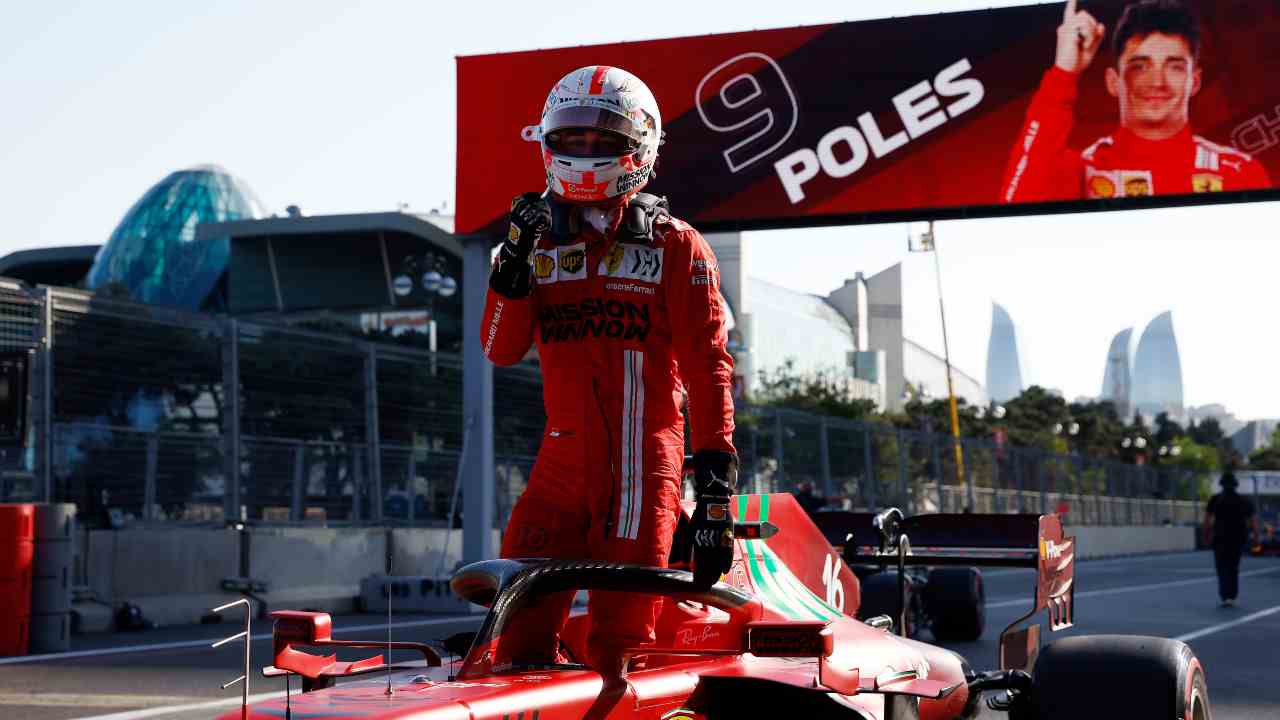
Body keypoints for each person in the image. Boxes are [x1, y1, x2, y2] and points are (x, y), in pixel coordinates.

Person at [480, 65, 738, 677]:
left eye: (605, 138)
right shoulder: (530, 244)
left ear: (642, 145)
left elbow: (709, 372)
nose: (587, 150)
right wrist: (511, 267)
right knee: (515, 637)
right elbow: (499, 349)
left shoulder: (677, 245)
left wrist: (717, 500)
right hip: (559, 462)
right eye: (572, 137)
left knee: (620, 646)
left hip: (644, 470)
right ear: (545, 142)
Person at [1001, 0, 1271, 203]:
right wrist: (1064, 73)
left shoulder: (1240, 173)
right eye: (1140, 66)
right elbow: (1015, 207)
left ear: (1195, 81)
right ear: (1113, 82)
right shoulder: (1085, 171)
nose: (1157, 81)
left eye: (1174, 67)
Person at [1203, 471, 1260, 607]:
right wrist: (1256, 537)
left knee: (1221, 567)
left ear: (1222, 485)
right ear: (1235, 485)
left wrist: (1206, 535)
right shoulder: (1243, 500)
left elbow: (1207, 520)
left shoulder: (1215, 499)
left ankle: (1225, 595)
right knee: (1233, 567)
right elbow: (1253, 521)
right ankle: (1231, 595)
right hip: (1238, 538)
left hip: (1220, 538)